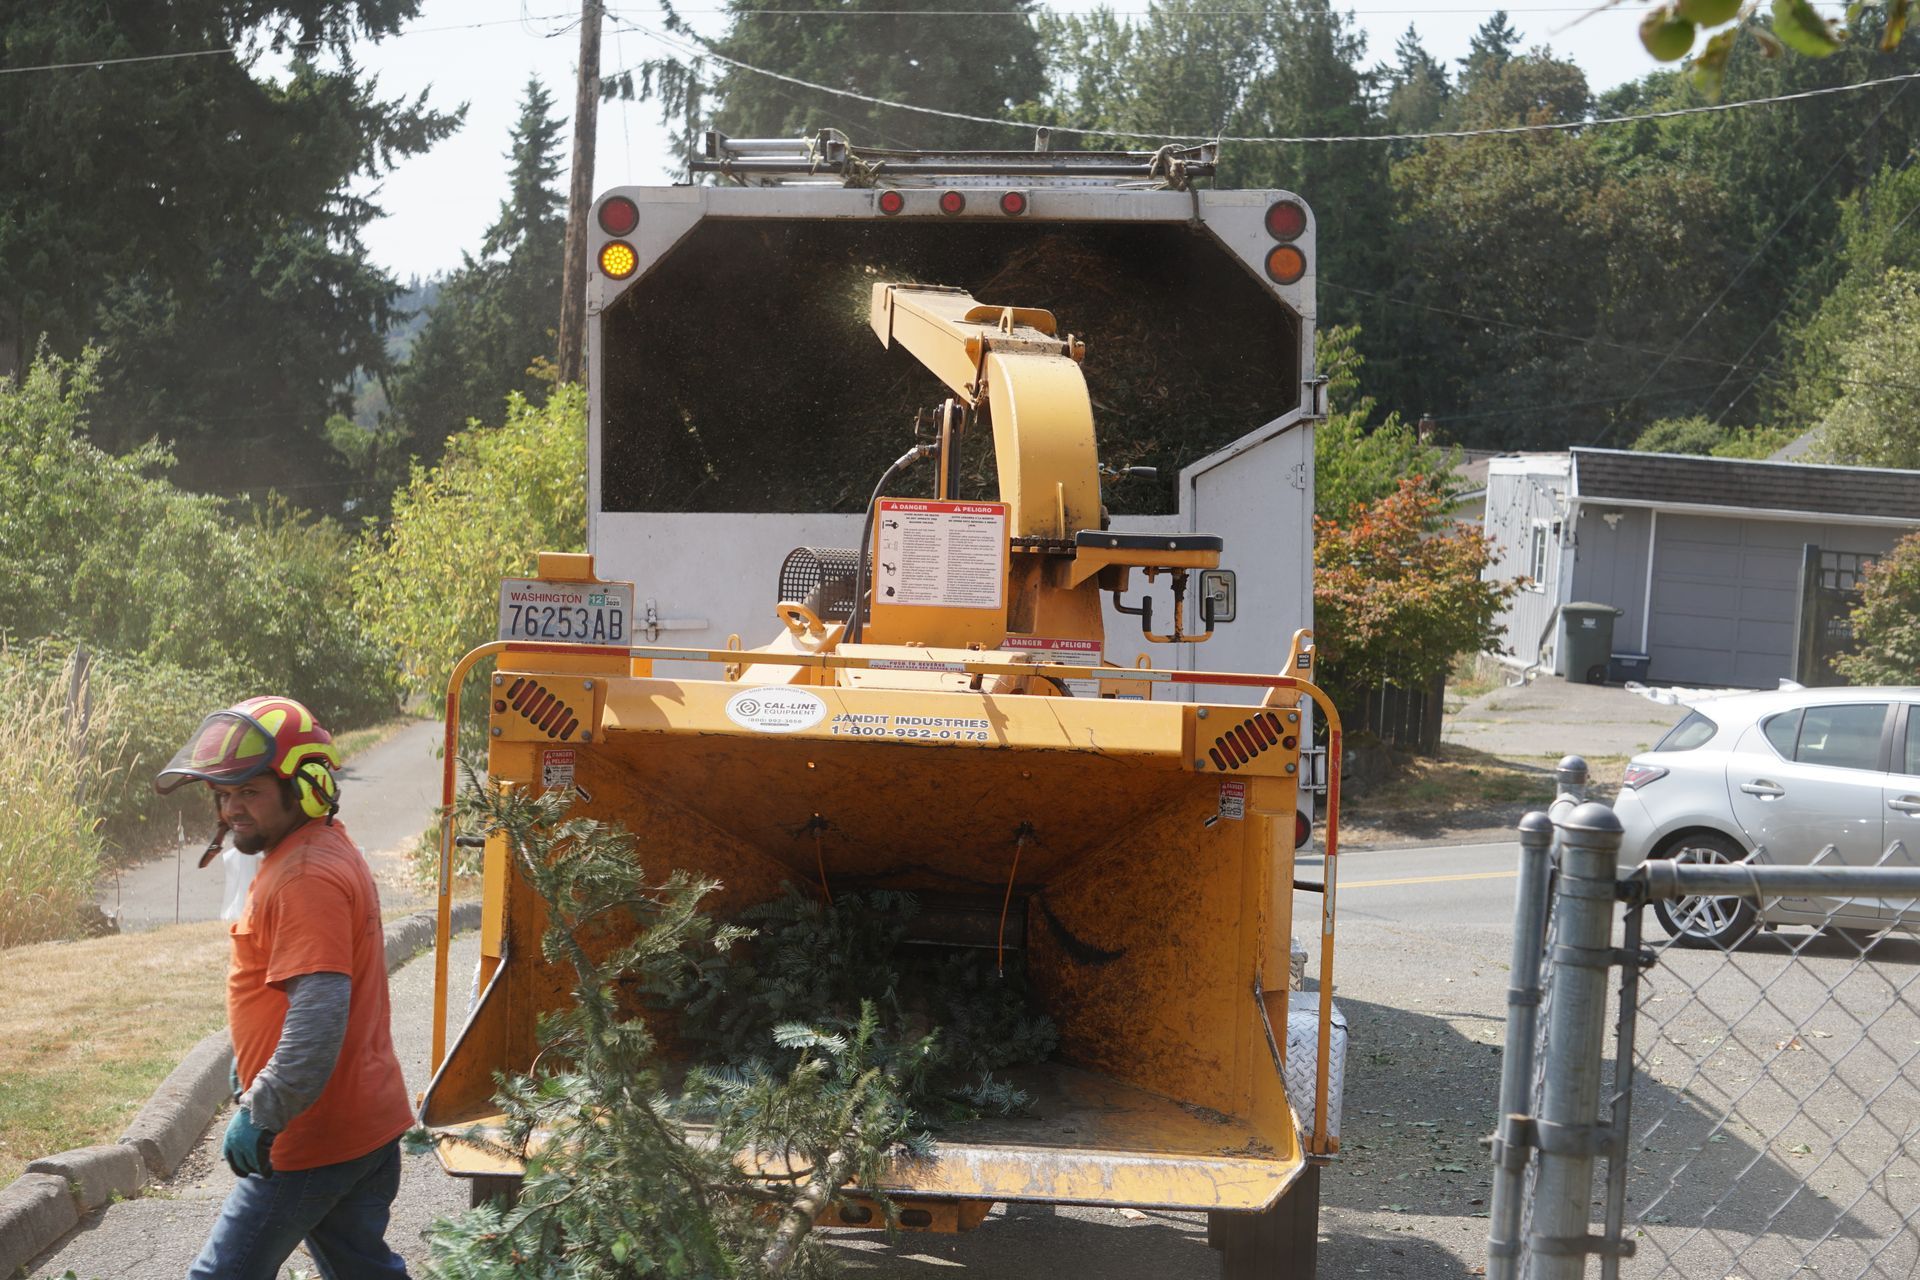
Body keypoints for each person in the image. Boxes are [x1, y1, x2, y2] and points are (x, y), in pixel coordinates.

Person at [155, 696, 414, 1279]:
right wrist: (249, 1064)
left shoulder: (304, 876)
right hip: (358, 1122)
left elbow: (319, 1016)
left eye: (250, 791)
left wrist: (262, 1107)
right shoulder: (316, 848)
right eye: (225, 793)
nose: (232, 809)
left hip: (311, 1137)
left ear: (306, 788)